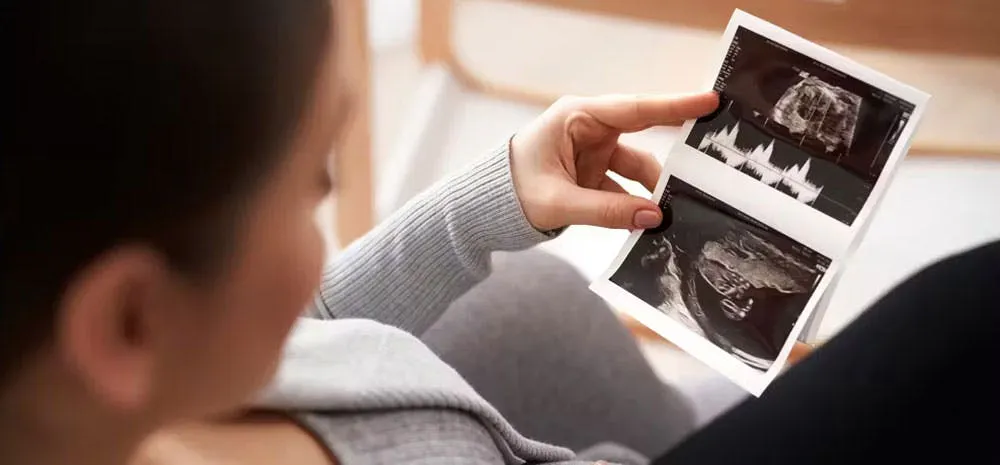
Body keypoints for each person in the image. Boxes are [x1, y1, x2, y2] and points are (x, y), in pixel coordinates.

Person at [6, 2, 998, 465]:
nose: (326, 199)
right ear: (130, 320)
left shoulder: (87, 384)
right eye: (310, 186)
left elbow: (295, 333)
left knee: (526, 297)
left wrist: (481, 208)